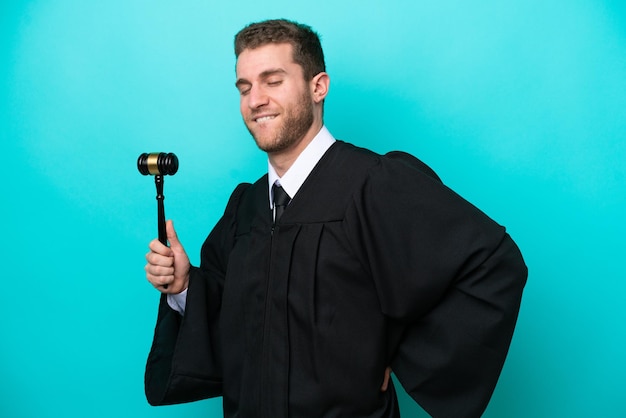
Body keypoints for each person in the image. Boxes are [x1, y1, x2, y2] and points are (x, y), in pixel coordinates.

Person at [143, 18, 527, 418]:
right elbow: (231, 315)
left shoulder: (373, 185)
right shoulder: (246, 207)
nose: (255, 99)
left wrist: (403, 352)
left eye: (273, 81)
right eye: (245, 87)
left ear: (318, 86)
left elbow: (491, 262)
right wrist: (185, 285)